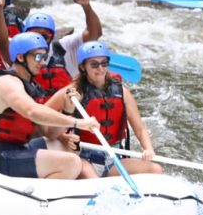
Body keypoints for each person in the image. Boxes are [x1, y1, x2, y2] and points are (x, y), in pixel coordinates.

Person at [0, 32, 100, 179]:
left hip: (18, 148)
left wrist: (68, 109)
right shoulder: (7, 83)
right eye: (38, 57)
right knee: (72, 163)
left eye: (44, 57)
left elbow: (49, 133)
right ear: (21, 57)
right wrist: (78, 123)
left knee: (68, 149)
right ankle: (38, 199)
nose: (43, 62)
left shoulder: (31, 86)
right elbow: (32, 111)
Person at [46, 40, 162, 177]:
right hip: (83, 156)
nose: (100, 68)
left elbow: (140, 129)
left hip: (114, 158)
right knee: (95, 183)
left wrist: (148, 149)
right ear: (83, 67)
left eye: (104, 63)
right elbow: (42, 114)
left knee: (156, 170)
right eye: (94, 64)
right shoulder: (72, 92)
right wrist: (62, 137)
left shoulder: (122, 92)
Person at [0, 0, 102, 98]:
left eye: (44, 36)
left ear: (52, 36)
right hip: (31, 109)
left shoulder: (65, 48)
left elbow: (95, 33)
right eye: (34, 34)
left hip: (64, 108)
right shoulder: (19, 53)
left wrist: (86, 6)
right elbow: (2, 43)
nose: (38, 39)